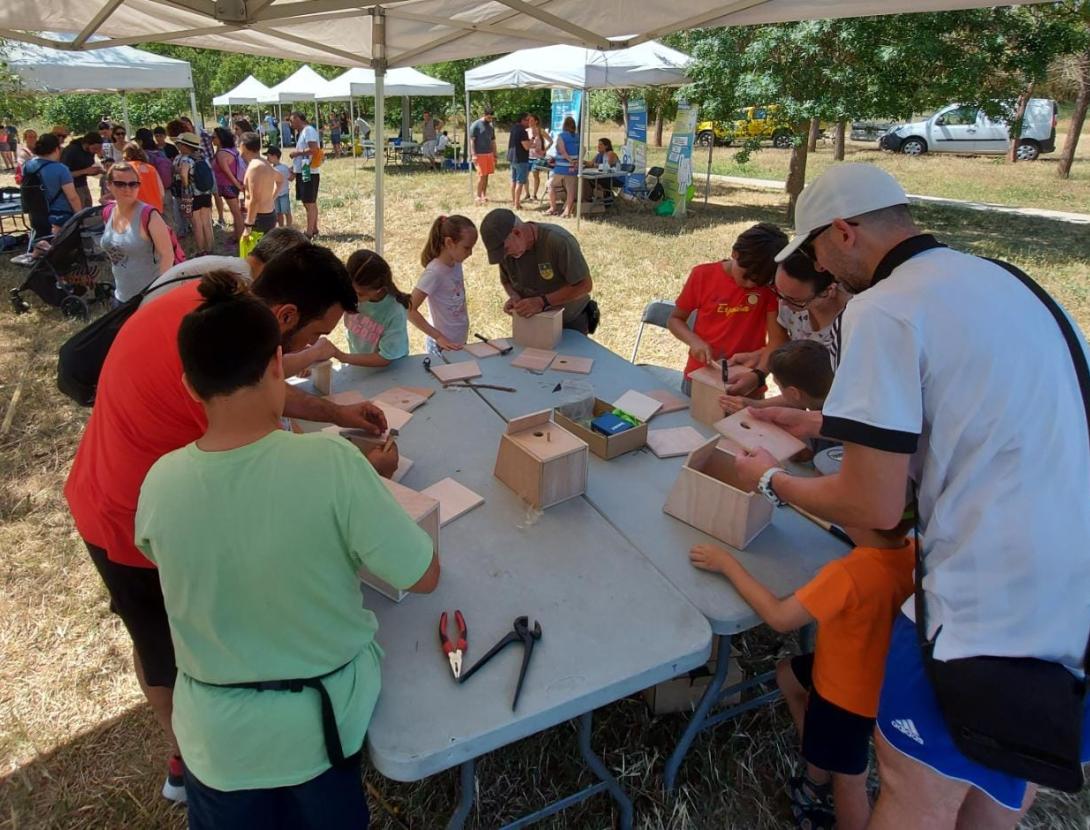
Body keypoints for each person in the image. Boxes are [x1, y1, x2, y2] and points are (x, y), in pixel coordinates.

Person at [730, 164, 1090, 830]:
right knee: (998, 790)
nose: (826, 274)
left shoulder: (886, 306)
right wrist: (818, 424)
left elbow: (871, 504)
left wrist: (767, 477)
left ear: (845, 232)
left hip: (979, 605)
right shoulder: (1013, 282)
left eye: (817, 255)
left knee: (915, 789)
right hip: (1070, 608)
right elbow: (972, 410)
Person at [65, 238, 392, 805]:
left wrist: (336, 413)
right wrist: (364, 465)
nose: (315, 349)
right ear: (284, 317)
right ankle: (187, 760)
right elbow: (273, 460)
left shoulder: (216, 309)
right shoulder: (204, 356)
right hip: (125, 515)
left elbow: (265, 389)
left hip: (140, 493)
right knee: (168, 650)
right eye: (314, 337)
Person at [132, 269, 437, 828]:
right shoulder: (332, 465)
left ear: (191, 387)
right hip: (315, 732)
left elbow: (173, 556)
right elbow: (424, 574)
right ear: (278, 364)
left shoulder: (159, 481)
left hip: (216, 743)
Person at [690, 521, 914, 830]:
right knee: (787, 674)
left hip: (844, 698)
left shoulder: (849, 573)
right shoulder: (913, 553)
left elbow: (780, 618)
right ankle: (816, 772)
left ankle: (827, 797)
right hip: (877, 676)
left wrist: (728, 565)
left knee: (850, 780)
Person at [722, 250, 850, 413]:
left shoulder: (854, 325)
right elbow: (795, 363)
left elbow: (811, 394)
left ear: (829, 291)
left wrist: (757, 405)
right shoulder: (789, 305)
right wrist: (761, 358)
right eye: (778, 292)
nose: (783, 303)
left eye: (795, 299)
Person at [667, 223, 787, 395]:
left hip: (746, 379)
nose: (751, 284)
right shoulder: (703, 276)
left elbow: (777, 340)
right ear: (735, 253)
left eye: (759, 281)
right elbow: (675, 320)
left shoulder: (770, 288)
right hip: (701, 376)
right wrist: (694, 341)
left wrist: (758, 375)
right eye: (746, 276)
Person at [479, 208, 598, 335]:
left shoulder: (559, 242)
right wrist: (515, 298)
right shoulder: (507, 253)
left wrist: (542, 302)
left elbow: (585, 285)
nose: (505, 256)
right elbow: (506, 281)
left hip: (570, 321)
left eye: (507, 249)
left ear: (517, 232)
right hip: (534, 322)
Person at [100, 162, 175, 303]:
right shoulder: (108, 212)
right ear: (108, 185)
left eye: (133, 184)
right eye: (120, 184)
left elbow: (167, 256)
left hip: (149, 298)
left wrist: (158, 293)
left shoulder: (149, 216)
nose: (127, 189)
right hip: (121, 296)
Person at [411, 215, 477, 353]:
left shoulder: (456, 263)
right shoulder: (434, 272)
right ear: (449, 243)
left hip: (458, 341)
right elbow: (409, 309)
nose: (470, 253)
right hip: (441, 346)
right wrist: (438, 336)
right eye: (467, 248)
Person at [338, 249, 410, 368]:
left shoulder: (395, 312)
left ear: (379, 290)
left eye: (360, 294)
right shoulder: (351, 294)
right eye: (350, 290)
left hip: (392, 372)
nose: (352, 297)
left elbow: (385, 358)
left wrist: (341, 356)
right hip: (362, 369)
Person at [22, 133, 81, 234]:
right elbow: (72, 197)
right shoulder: (61, 169)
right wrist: (80, 216)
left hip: (37, 215)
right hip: (60, 216)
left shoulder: (28, 166)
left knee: (43, 245)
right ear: (57, 149)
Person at [175, 132, 215, 256]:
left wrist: (186, 186)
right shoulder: (203, 158)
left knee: (197, 224)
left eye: (179, 144)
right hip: (206, 193)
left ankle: (201, 250)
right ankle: (210, 249)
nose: (178, 146)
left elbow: (183, 174)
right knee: (207, 223)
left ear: (185, 146)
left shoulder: (186, 159)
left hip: (193, 194)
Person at [239, 131, 282, 239]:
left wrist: (248, 224)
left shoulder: (255, 167)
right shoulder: (264, 163)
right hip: (265, 215)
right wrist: (271, 198)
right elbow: (280, 179)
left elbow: (255, 198)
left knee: (258, 254)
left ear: (243, 146)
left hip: (259, 219)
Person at [289, 111, 322, 239]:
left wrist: (296, 153)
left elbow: (314, 149)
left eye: (292, 121)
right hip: (303, 169)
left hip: (308, 170)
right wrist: (294, 168)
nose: (291, 124)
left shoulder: (308, 130)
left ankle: (309, 232)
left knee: (309, 202)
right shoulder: (302, 133)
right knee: (307, 201)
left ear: (298, 118)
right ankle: (313, 228)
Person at [212, 127, 245, 246]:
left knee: (236, 213)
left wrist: (237, 184)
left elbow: (227, 172)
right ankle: (237, 236)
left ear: (221, 138)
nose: (212, 139)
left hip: (228, 186)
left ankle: (241, 240)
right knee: (236, 212)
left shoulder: (221, 154)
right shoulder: (232, 150)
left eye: (214, 137)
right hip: (232, 185)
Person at [60, 131, 105, 209]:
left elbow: (86, 169)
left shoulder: (90, 152)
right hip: (72, 186)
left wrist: (95, 171)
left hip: (83, 184)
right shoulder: (71, 151)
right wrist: (85, 171)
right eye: (94, 148)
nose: (96, 151)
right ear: (87, 144)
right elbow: (63, 174)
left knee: (88, 207)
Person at [547, 116, 580, 218]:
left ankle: (553, 207)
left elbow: (562, 150)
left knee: (550, 185)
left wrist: (570, 160)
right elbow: (582, 149)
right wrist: (575, 161)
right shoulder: (577, 136)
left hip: (562, 166)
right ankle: (567, 211)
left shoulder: (561, 136)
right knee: (571, 190)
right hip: (573, 167)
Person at [121, 142, 166, 214]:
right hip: (154, 211)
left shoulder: (128, 168)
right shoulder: (152, 169)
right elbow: (162, 193)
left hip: (136, 211)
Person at [468, 106, 496, 205]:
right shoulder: (475, 125)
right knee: (481, 176)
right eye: (489, 117)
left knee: (487, 175)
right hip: (479, 155)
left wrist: (494, 154)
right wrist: (473, 154)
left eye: (492, 118)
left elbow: (493, 141)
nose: (490, 119)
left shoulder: (491, 126)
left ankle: (484, 195)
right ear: (484, 115)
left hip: (489, 154)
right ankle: (478, 196)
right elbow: (472, 141)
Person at [507, 112, 531, 211]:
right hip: (521, 159)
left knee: (513, 180)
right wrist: (532, 144)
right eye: (527, 120)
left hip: (512, 158)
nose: (529, 122)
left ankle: (514, 201)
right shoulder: (523, 131)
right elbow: (526, 146)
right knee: (520, 182)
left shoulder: (514, 128)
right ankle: (517, 204)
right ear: (522, 120)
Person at [265, 146, 294, 228]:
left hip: (283, 194)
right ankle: (281, 227)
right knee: (278, 213)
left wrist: (294, 172)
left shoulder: (283, 168)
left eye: (268, 156)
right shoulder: (272, 168)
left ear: (274, 156)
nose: (267, 159)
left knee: (286, 212)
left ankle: (288, 227)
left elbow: (291, 178)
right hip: (275, 195)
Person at [527, 114, 552, 202]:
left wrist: (544, 151)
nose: (529, 122)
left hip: (538, 158)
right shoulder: (527, 131)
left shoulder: (541, 131)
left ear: (536, 121)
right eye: (528, 121)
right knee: (525, 176)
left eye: (531, 120)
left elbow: (551, 141)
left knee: (535, 175)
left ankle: (534, 195)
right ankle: (527, 194)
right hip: (528, 156)